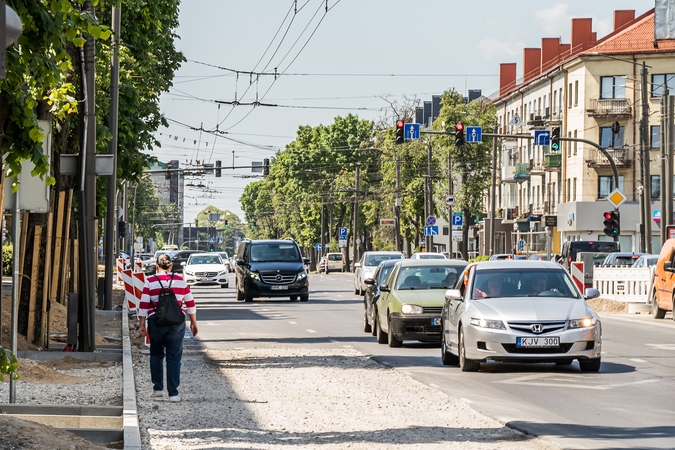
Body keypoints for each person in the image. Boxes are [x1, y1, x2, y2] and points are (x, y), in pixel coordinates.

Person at [138, 253, 198, 402]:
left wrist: (141, 325)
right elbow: (190, 303)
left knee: (156, 354)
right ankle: (173, 393)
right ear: (171, 266)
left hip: (156, 322)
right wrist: (193, 322)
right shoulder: (180, 280)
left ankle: (158, 389)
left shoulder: (150, 281)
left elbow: (144, 304)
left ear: (157, 266)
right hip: (176, 323)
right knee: (174, 357)